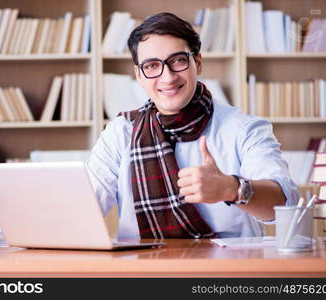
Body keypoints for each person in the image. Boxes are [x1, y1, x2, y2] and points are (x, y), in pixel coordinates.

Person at [86, 12, 299, 240]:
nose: (167, 77)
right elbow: (85, 209)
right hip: (143, 269)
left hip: (227, 271)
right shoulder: (120, 133)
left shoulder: (244, 128)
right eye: (151, 66)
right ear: (139, 74)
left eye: (178, 60)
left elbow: (284, 203)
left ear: (197, 62)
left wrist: (231, 188)